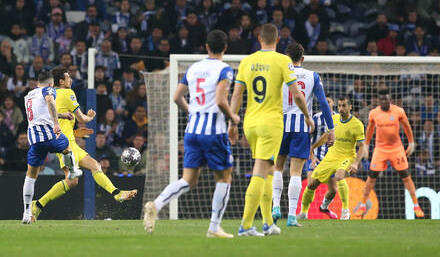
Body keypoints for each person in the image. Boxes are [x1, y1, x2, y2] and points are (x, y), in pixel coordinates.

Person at [143, 30, 240, 238]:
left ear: (206, 47)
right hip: (214, 133)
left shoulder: (194, 67)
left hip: (192, 131)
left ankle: (156, 204)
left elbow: (177, 97)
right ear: (225, 48)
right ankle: (214, 227)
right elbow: (222, 101)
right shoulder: (225, 69)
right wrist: (234, 118)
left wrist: (192, 112)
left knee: (188, 179)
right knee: (224, 177)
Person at [228, 24, 314, 237]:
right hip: (271, 124)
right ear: (277, 41)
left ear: (259, 39)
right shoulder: (282, 61)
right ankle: (246, 225)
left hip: (250, 123)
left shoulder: (246, 61)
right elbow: (297, 94)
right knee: (260, 172)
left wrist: (232, 122)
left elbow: (237, 94)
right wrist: (306, 116)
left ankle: (268, 223)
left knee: (267, 172)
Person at [30, 67, 137, 222]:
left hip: (64, 141)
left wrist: (75, 133)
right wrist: (90, 116)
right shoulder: (67, 93)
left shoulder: (50, 94)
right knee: (76, 177)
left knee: (91, 168)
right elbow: (81, 118)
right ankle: (38, 204)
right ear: (61, 81)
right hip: (65, 144)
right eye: (68, 77)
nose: (71, 80)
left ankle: (116, 193)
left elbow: (58, 123)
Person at [271, 43, 335, 227]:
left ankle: (276, 206)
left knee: (277, 167)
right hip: (302, 125)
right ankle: (291, 216)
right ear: (303, 58)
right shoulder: (312, 76)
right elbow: (323, 104)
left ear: (285, 57)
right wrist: (331, 129)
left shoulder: (279, 74)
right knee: (296, 172)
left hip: (279, 124)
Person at [354, 89, 424, 218]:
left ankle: (416, 205)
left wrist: (412, 142)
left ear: (389, 99)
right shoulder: (374, 113)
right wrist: (366, 146)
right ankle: (363, 204)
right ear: (380, 101)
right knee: (371, 177)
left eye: (386, 98)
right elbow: (369, 130)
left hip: (396, 149)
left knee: (406, 176)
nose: (384, 101)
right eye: (382, 99)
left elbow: (407, 127)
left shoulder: (398, 111)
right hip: (380, 149)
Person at [21, 71, 78, 224]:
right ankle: (73, 172)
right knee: (67, 146)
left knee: (31, 176)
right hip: (49, 134)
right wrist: (57, 124)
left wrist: (62, 115)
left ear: (37, 83)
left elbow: (42, 113)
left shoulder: (29, 96)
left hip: (34, 140)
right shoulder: (48, 90)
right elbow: (50, 102)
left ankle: (26, 213)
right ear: (51, 84)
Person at [301, 96, 366, 219]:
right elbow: (327, 136)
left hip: (347, 156)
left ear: (350, 107)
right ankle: (303, 213)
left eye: (344, 106)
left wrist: (356, 162)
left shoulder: (357, 124)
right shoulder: (333, 119)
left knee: (339, 176)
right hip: (331, 156)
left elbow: (362, 146)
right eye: (339, 106)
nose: (341, 108)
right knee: (311, 185)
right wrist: (313, 147)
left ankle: (345, 211)